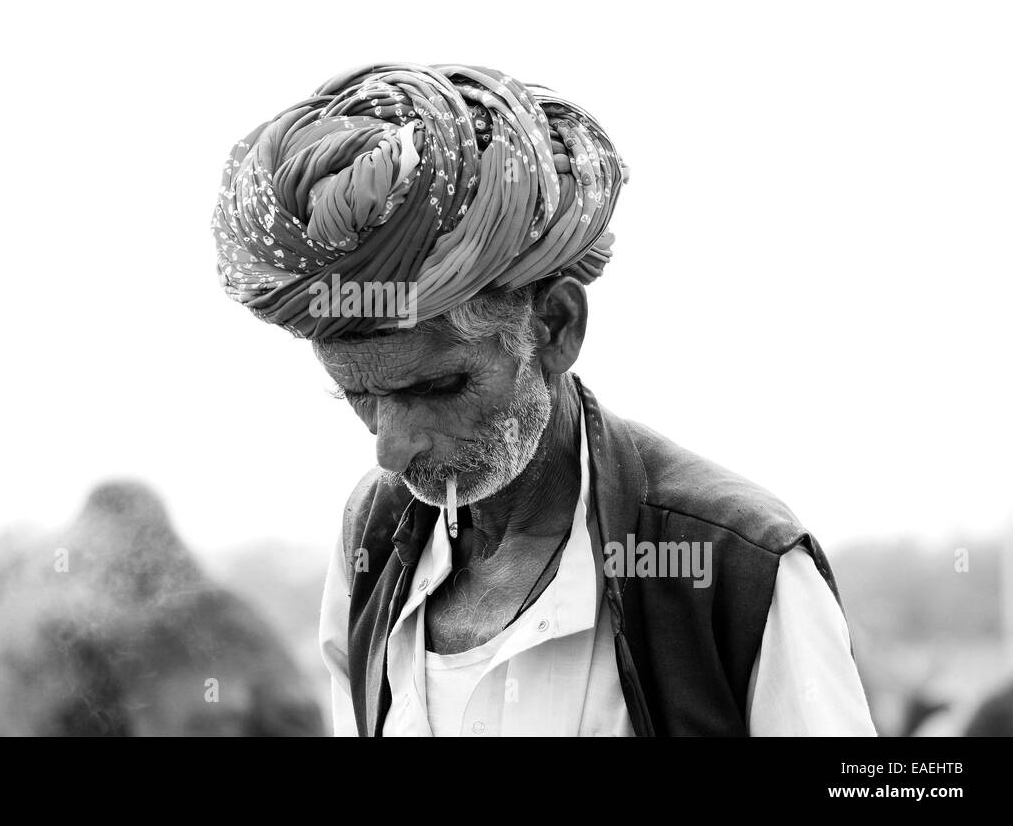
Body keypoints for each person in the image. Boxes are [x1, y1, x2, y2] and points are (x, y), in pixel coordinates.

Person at [213, 63, 876, 736]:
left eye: (439, 386)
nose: (391, 448)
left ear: (555, 328)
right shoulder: (374, 540)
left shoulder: (739, 562)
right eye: (359, 395)